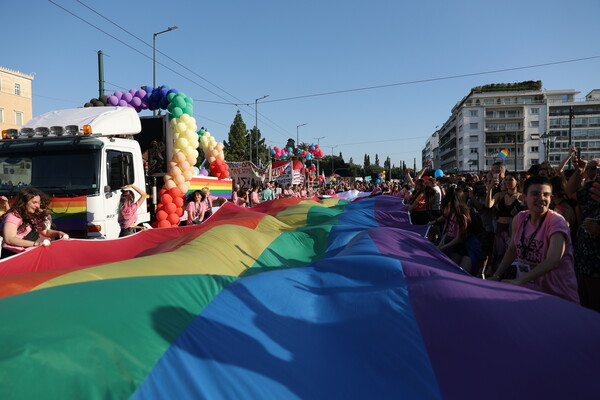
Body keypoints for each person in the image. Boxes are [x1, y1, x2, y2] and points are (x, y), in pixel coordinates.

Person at [491, 176, 579, 303]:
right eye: (535, 194)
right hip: (528, 292)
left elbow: (553, 260)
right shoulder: (520, 218)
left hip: (558, 296)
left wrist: (519, 280)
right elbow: (512, 249)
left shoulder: (557, 222)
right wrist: (496, 275)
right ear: (524, 197)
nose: (541, 198)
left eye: (546, 195)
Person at [566, 155, 600, 311]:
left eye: (597, 168)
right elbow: (570, 191)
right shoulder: (592, 189)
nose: (594, 171)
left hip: (597, 265)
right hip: (584, 260)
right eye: (591, 168)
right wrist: (579, 171)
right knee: (584, 305)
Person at [1, 187, 68, 258]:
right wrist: (36, 244)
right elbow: (9, 239)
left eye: (39, 203)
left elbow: (45, 231)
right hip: (12, 255)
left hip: (27, 254)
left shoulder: (33, 215)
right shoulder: (13, 216)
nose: (37, 206)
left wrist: (59, 233)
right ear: (24, 202)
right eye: (34, 202)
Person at [486, 172, 523, 275]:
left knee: (510, 252)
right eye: (506, 180)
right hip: (500, 228)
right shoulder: (500, 195)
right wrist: (490, 188)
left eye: (510, 180)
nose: (507, 182)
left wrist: (519, 213)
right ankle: (497, 275)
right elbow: (488, 205)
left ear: (517, 182)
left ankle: (509, 275)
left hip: (513, 229)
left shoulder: (522, 197)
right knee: (498, 252)